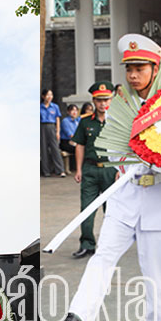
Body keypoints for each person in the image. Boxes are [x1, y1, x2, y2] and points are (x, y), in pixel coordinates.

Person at [49, 34, 161, 321]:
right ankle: (79, 317)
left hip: (156, 198)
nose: (134, 74)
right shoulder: (120, 104)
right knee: (103, 255)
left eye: (140, 68)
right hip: (125, 198)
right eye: (130, 68)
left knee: (155, 279)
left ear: (156, 68)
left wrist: (155, 160)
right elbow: (112, 148)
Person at [68, 82, 117, 259]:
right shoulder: (85, 121)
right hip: (90, 169)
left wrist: (122, 169)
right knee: (87, 209)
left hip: (111, 171)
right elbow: (80, 146)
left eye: (106, 100)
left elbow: (125, 147)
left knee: (111, 211)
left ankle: (109, 245)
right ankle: (87, 244)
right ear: (93, 101)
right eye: (99, 100)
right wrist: (79, 169)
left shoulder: (117, 121)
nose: (103, 104)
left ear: (111, 100)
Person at [40, 89, 66, 177]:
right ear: (43, 96)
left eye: (51, 95)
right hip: (42, 127)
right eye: (47, 95)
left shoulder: (55, 107)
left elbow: (57, 119)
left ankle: (61, 170)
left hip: (52, 127)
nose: (50, 97)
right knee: (43, 149)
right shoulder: (39, 107)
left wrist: (58, 131)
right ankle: (46, 171)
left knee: (55, 149)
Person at [60, 104, 81, 173]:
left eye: (76, 110)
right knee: (80, 148)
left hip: (75, 141)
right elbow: (70, 135)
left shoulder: (77, 121)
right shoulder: (65, 121)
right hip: (66, 142)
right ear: (68, 112)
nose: (74, 112)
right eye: (72, 110)